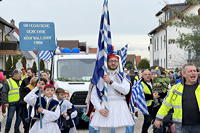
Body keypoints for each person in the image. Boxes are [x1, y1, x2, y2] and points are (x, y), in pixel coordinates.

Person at [90, 53, 134, 133]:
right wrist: (99, 109)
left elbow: (125, 90)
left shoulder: (123, 76)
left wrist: (111, 82)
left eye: (115, 61)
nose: (113, 63)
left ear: (118, 62)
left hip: (120, 106)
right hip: (105, 106)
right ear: (107, 62)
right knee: (104, 131)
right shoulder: (101, 77)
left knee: (121, 130)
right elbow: (94, 96)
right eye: (111, 61)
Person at [154, 63, 200, 133]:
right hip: (181, 127)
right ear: (183, 74)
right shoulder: (175, 89)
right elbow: (166, 105)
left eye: (195, 70)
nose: (193, 73)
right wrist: (158, 118)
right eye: (190, 71)